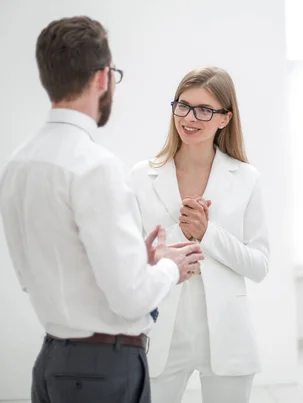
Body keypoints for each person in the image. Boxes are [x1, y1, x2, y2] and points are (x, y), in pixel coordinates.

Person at [0, 16, 203, 403]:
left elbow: (42, 272)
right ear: (102, 77)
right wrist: (166, 268)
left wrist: (137, 263)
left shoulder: (17, 164)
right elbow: (130, 297)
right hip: (104, 371)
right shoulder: (96, 166)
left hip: (51, 364)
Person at [129, 66, 270, 403]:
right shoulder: (140, 176)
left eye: (205, 110)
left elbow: (259, 266)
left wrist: (207, 233)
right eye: (183, 105)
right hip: (160, 333)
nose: (190, 117)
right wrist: (181, 234)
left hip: (228, 335)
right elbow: (129, 261)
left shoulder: (246, 177)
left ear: (225, 118)